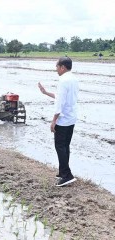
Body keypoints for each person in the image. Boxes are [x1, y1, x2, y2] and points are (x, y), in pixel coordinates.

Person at [38, 57, 79, 187]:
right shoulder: (73, 79)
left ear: (62, 67)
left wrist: (54, 120)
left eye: (57, 67)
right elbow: (61, 97)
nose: (56, 69)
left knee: (60, 147)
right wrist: (45, 93)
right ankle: (63, 172)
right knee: (65, 146)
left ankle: (67, 175)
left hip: (63, 119)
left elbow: (60, 103)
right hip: (71, 118)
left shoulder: (63, 80)